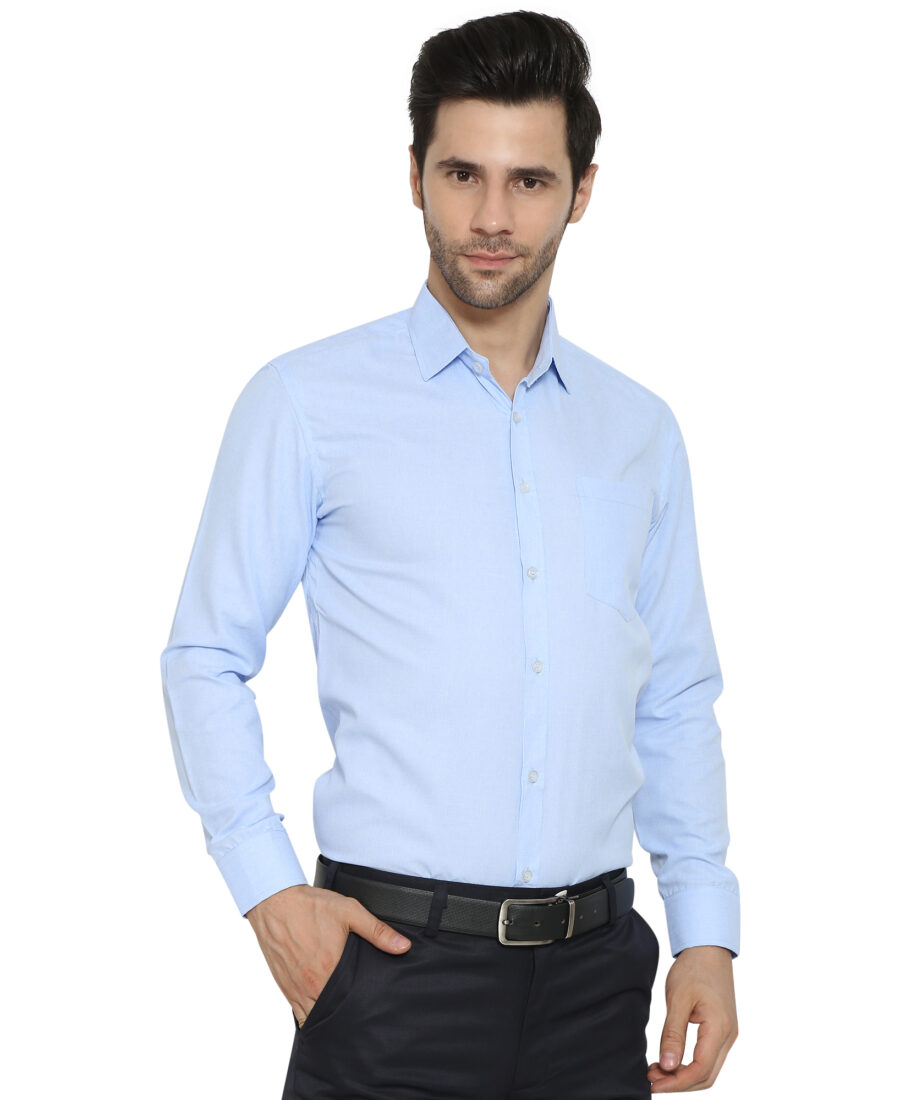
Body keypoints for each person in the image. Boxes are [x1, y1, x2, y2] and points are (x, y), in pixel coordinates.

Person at [159, 10, 739, 1098]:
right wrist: (267, 890)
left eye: (530, 181)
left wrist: (705, 928)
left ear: (582, 191)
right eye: (462, 173)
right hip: (390, 974)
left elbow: (673, 694)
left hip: (597, 982)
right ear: (414, 175)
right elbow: (205, 656)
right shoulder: (306, 402)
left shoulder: (639, 430)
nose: (490, 218)